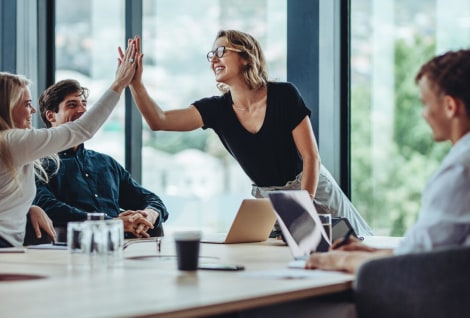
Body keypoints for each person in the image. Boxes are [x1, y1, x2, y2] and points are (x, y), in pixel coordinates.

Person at [124, 31, 372, 237]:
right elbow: (159, 120)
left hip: (312, 187)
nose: (213, 59)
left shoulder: (284, 95)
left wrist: (301, 206)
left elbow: (311, 157)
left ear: (246, 57)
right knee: (283, 262)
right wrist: (136, 84)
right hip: (268, 201)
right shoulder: (216, 109)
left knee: (355, 245)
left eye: (222, 51)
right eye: (211, 54)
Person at [306, 49, 470, 274]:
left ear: (450, 106)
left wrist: (336, 261)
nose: (423, 114)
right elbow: (425, 250)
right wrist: (366, 252)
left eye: (425, 103)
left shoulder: (464, 170)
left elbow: (413, 264)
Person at [0, 41, 137, 248]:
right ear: (7, 107)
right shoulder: (11, 141)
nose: (32, 111)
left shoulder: (11, 145)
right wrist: (119, 84)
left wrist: (29, 208)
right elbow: (83, 129)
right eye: (27, 104)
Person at [33, 79, 169, 239]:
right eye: (72, 105)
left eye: (84, 104)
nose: (83, 110)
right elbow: (47, 206)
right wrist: (111, 223)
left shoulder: (106, 163)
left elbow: (150, 199)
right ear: (51, 115)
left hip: (123, 249)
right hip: (73, 251)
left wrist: (149, 214)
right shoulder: (38, 165)